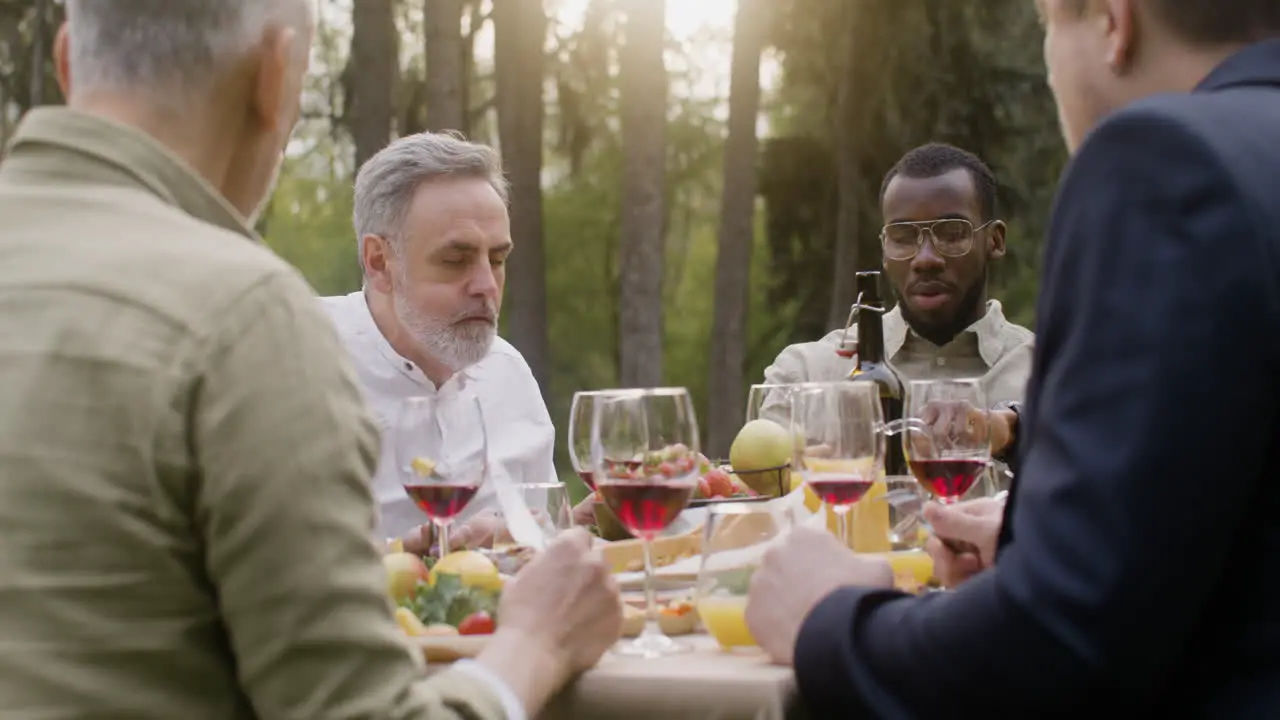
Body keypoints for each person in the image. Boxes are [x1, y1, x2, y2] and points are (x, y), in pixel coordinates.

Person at [0, 2, 620, 718]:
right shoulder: (243, 316)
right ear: (275, 76)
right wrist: (536, 644)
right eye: (456, 258)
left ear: (69, 59)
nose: (485, 281)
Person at [746, 0, 1280, 716]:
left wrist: (828, 618)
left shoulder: (1165, 159)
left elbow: (1059, 643)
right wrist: (1047, 540)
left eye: (1046, 29)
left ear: (1114, 22)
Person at [322, 132, 591, 552]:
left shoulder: (509, 374)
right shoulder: (299, 363)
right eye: (455, 260)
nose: (487, 285)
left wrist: (569, 530)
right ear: (379, 262)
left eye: (498, 259)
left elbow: (538, 543)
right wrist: (397, 558)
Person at [762, 143, 1033, 456]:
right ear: (884, 250)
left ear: (995, 241)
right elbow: (752, 491)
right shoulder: (804, 375)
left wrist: (1013, 430)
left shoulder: (1050, 375)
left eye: (951, 233)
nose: (926, 259)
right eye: (903, 237)